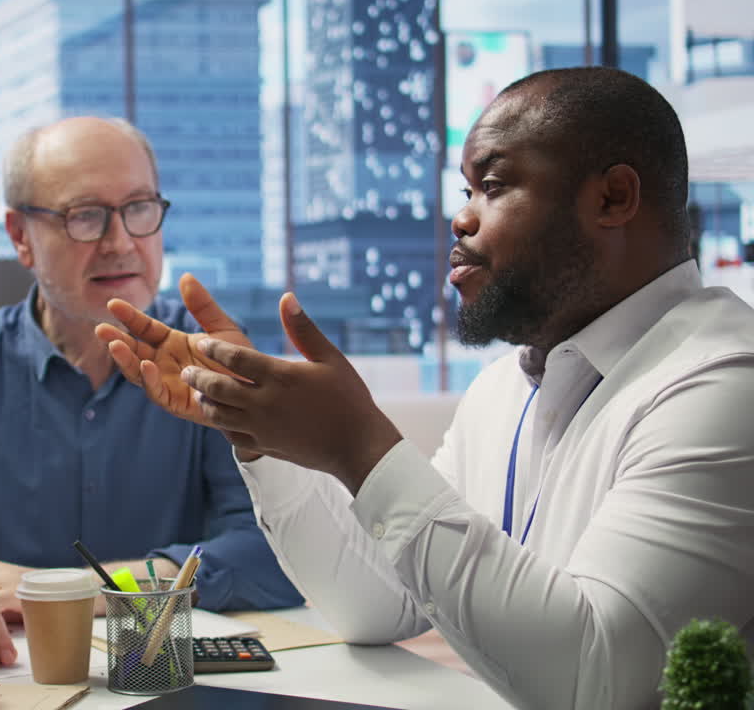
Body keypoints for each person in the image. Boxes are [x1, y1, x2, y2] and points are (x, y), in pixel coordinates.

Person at [97, 66, 754, 709]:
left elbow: (596, 683)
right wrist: (257, 428)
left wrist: (360, 447)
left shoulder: (723, 384)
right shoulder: (507, 387)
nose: (461, 221)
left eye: (491, 187)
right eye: (464, 192)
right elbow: (375, 605)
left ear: (613, 197)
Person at [0, 116, 302, 671]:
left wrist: (88, 588)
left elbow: (277, 553)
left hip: (166, 679)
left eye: (139, 208)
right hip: (17, 686)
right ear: (20, 236)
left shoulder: (206, 360)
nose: (120, 243)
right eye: (84, 216)